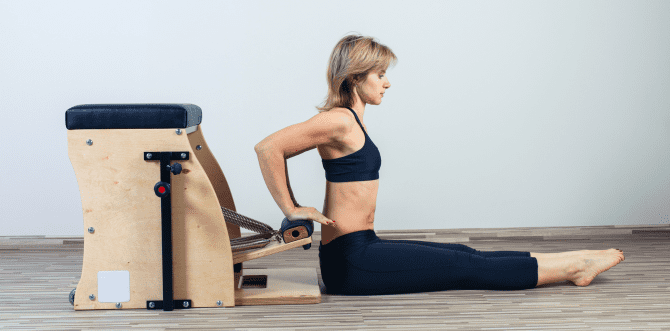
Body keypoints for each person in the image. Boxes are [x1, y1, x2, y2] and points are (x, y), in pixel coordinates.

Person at [253, 34, 625, 295]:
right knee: (468, 268)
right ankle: (574, 268)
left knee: (464, 254)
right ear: (355, 77)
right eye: (380, 74)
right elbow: (269, 147)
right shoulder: (339, 119)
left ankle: (575, 258)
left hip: (362, 247)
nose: (387, 83)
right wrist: (291, 207)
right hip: (351, 263)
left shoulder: (351, 120)